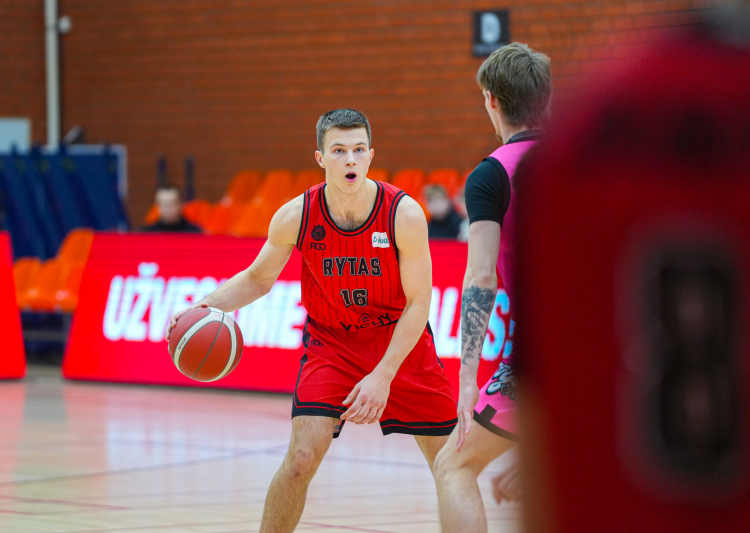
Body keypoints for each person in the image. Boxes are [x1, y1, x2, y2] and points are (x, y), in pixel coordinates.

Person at [166, 109, 457, 533]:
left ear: (371, 155)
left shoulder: (403, 214)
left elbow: (418, 304)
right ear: (320, 158)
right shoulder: (296, 215)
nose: (350, 159)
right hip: (332, 345)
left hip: (399, 341)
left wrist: (383, 375)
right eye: (338, 151)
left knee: (451, 465)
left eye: (358, 150)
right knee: (301, 459)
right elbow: (258, 278)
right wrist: (204, 306)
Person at [432, 42, 552, 533]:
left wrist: (466, 378)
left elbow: (480, 277)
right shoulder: (581, 160)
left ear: (491, 100)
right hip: (604, 351)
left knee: (454, 465)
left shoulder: (492, 174)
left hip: (540, 352)